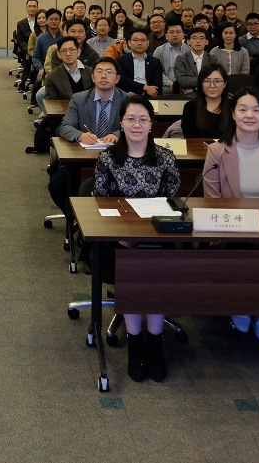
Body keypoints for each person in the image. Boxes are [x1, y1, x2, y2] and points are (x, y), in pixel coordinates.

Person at [92, 95, 179, 383]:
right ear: (121, 122)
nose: (137, 124)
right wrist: (121, 235)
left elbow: (174, 202)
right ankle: (135, 341)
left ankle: (155, 341)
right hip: (118, 239)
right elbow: (99, 203)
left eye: (143, 119)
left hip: (157, 236)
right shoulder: (108, 158)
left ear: (152, 124)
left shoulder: (166, 157)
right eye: (131, 119)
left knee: (157, 271)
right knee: (128, 266)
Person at [201, 85, 259, 342]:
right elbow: (212, 202)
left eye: (256, 110)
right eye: (243, 109)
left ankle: (258, 311)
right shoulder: (217, 151)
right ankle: (245, 305)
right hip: (230, 231)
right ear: (233, 113)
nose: (250, 115)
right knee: (244, 247)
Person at [49, 58, 126, 213]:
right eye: (99, 72)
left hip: (118, 159)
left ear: (117, 78)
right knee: (57, 185)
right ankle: (75, 219)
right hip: (83, 158)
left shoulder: (128, 100)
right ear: (92, 77)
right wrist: (80, 135)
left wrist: (118, 134)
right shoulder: (79, 99)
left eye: (109, 72)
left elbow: (140, 126)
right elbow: (65, 126)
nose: (103, 76)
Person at [181, 63, 229, 140]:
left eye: (217, 81)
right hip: (198, 147)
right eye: (207, 81)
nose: (212, 85)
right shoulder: (191, 107)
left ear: (225, 84)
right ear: (201, 84)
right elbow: (190, 139)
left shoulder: (234, 107)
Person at [116, 29, 162, 98]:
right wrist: (144, 87)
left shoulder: (155, 61)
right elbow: (122, 80)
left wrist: (149, 90)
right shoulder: (121, 60)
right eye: (135, 40)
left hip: (148, 95)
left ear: (148, 43)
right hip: (127, 94)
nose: (139, 43)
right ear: (129, 43)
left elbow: (157, 83)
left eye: (143, 40)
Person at [43, 36, 90, 103]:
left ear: (78, 51)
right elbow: (51, 104)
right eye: (63, 51)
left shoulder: (91, 73)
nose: (68, 54)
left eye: (71, 50)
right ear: (59, 54)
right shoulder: (52, 77)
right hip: (64, 109)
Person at [153, 22, 188, 96]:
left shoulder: (189, 50)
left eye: (178, 32)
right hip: (166, 84)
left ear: (183, 35)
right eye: (171, 32)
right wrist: (169, 83)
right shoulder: (159, 50)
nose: (175, 35)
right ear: (166, 36)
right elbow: (156, 71)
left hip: (185, 84)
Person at [173, 29, 210, 95]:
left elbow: (215, 80)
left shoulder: (212, 58)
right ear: (188, 42)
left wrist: (194, 89)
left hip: (209, 93)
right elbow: (182, 81)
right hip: (188, 95)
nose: (198, 41)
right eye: (194, 38)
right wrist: (205, 80)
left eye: (201, 38)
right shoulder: (181, 59)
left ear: (207, 42)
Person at [13, 0, 40, 64]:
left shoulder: (41, 22)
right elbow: (20, 40)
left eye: (34, 6)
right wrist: (29, 48)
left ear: (37, 8)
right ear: (26, 8)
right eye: (29, 6)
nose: (32, 9)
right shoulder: (21, 23)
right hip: (27, 49)